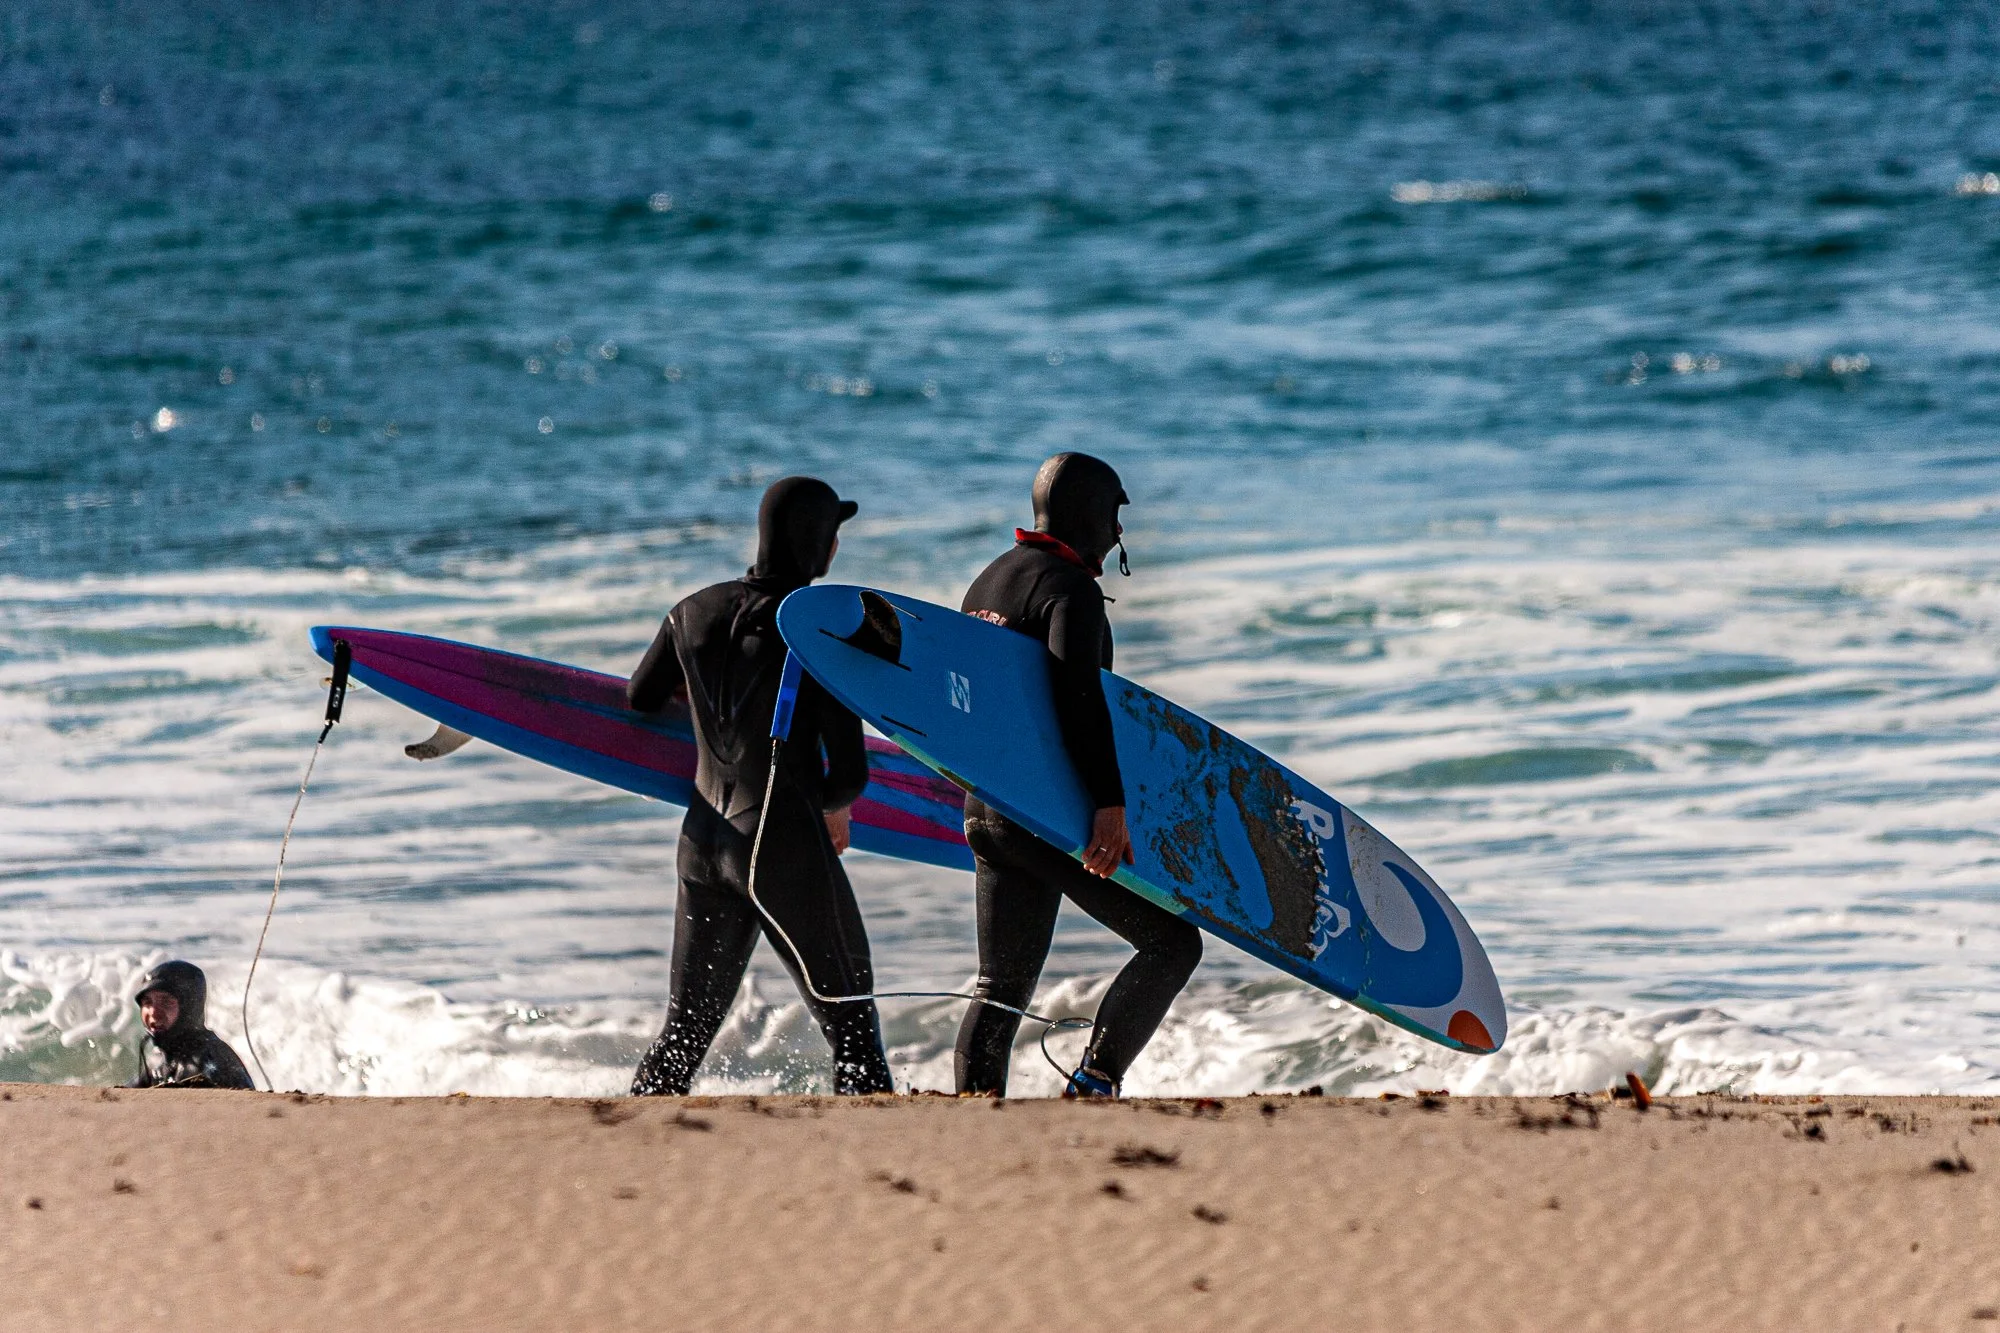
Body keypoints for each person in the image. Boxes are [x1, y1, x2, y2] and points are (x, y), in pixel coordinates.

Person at [625, 476, 896, 1096]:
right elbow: (849, 773)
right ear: (821, 544)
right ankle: (881, 1143)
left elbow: (640, 696)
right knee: (852, 1027)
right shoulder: (816, 630)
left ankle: (630, 1135)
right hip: (781, 843)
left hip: (702, 842)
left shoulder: (690, 610)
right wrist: (832, 808)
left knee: (685, 1031)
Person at [955, 453, 1201, 1098]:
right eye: (1115, 515)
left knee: (1000, 984)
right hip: (1039, 811)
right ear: (1091, 513)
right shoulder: (1070, 589)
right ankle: (1094, 1081)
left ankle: (973, 1110)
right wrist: (1109, 805)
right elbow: (1078, 700)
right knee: (1173, 944)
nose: (1118, 532)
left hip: (985, 808)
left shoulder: (988, 582)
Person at [124, 960, 256, 1090]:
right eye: (147, 1002)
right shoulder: (158, 1060)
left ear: (189, 1008)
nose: (153, 1012)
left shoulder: (214, 1058)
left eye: (166, 1002)